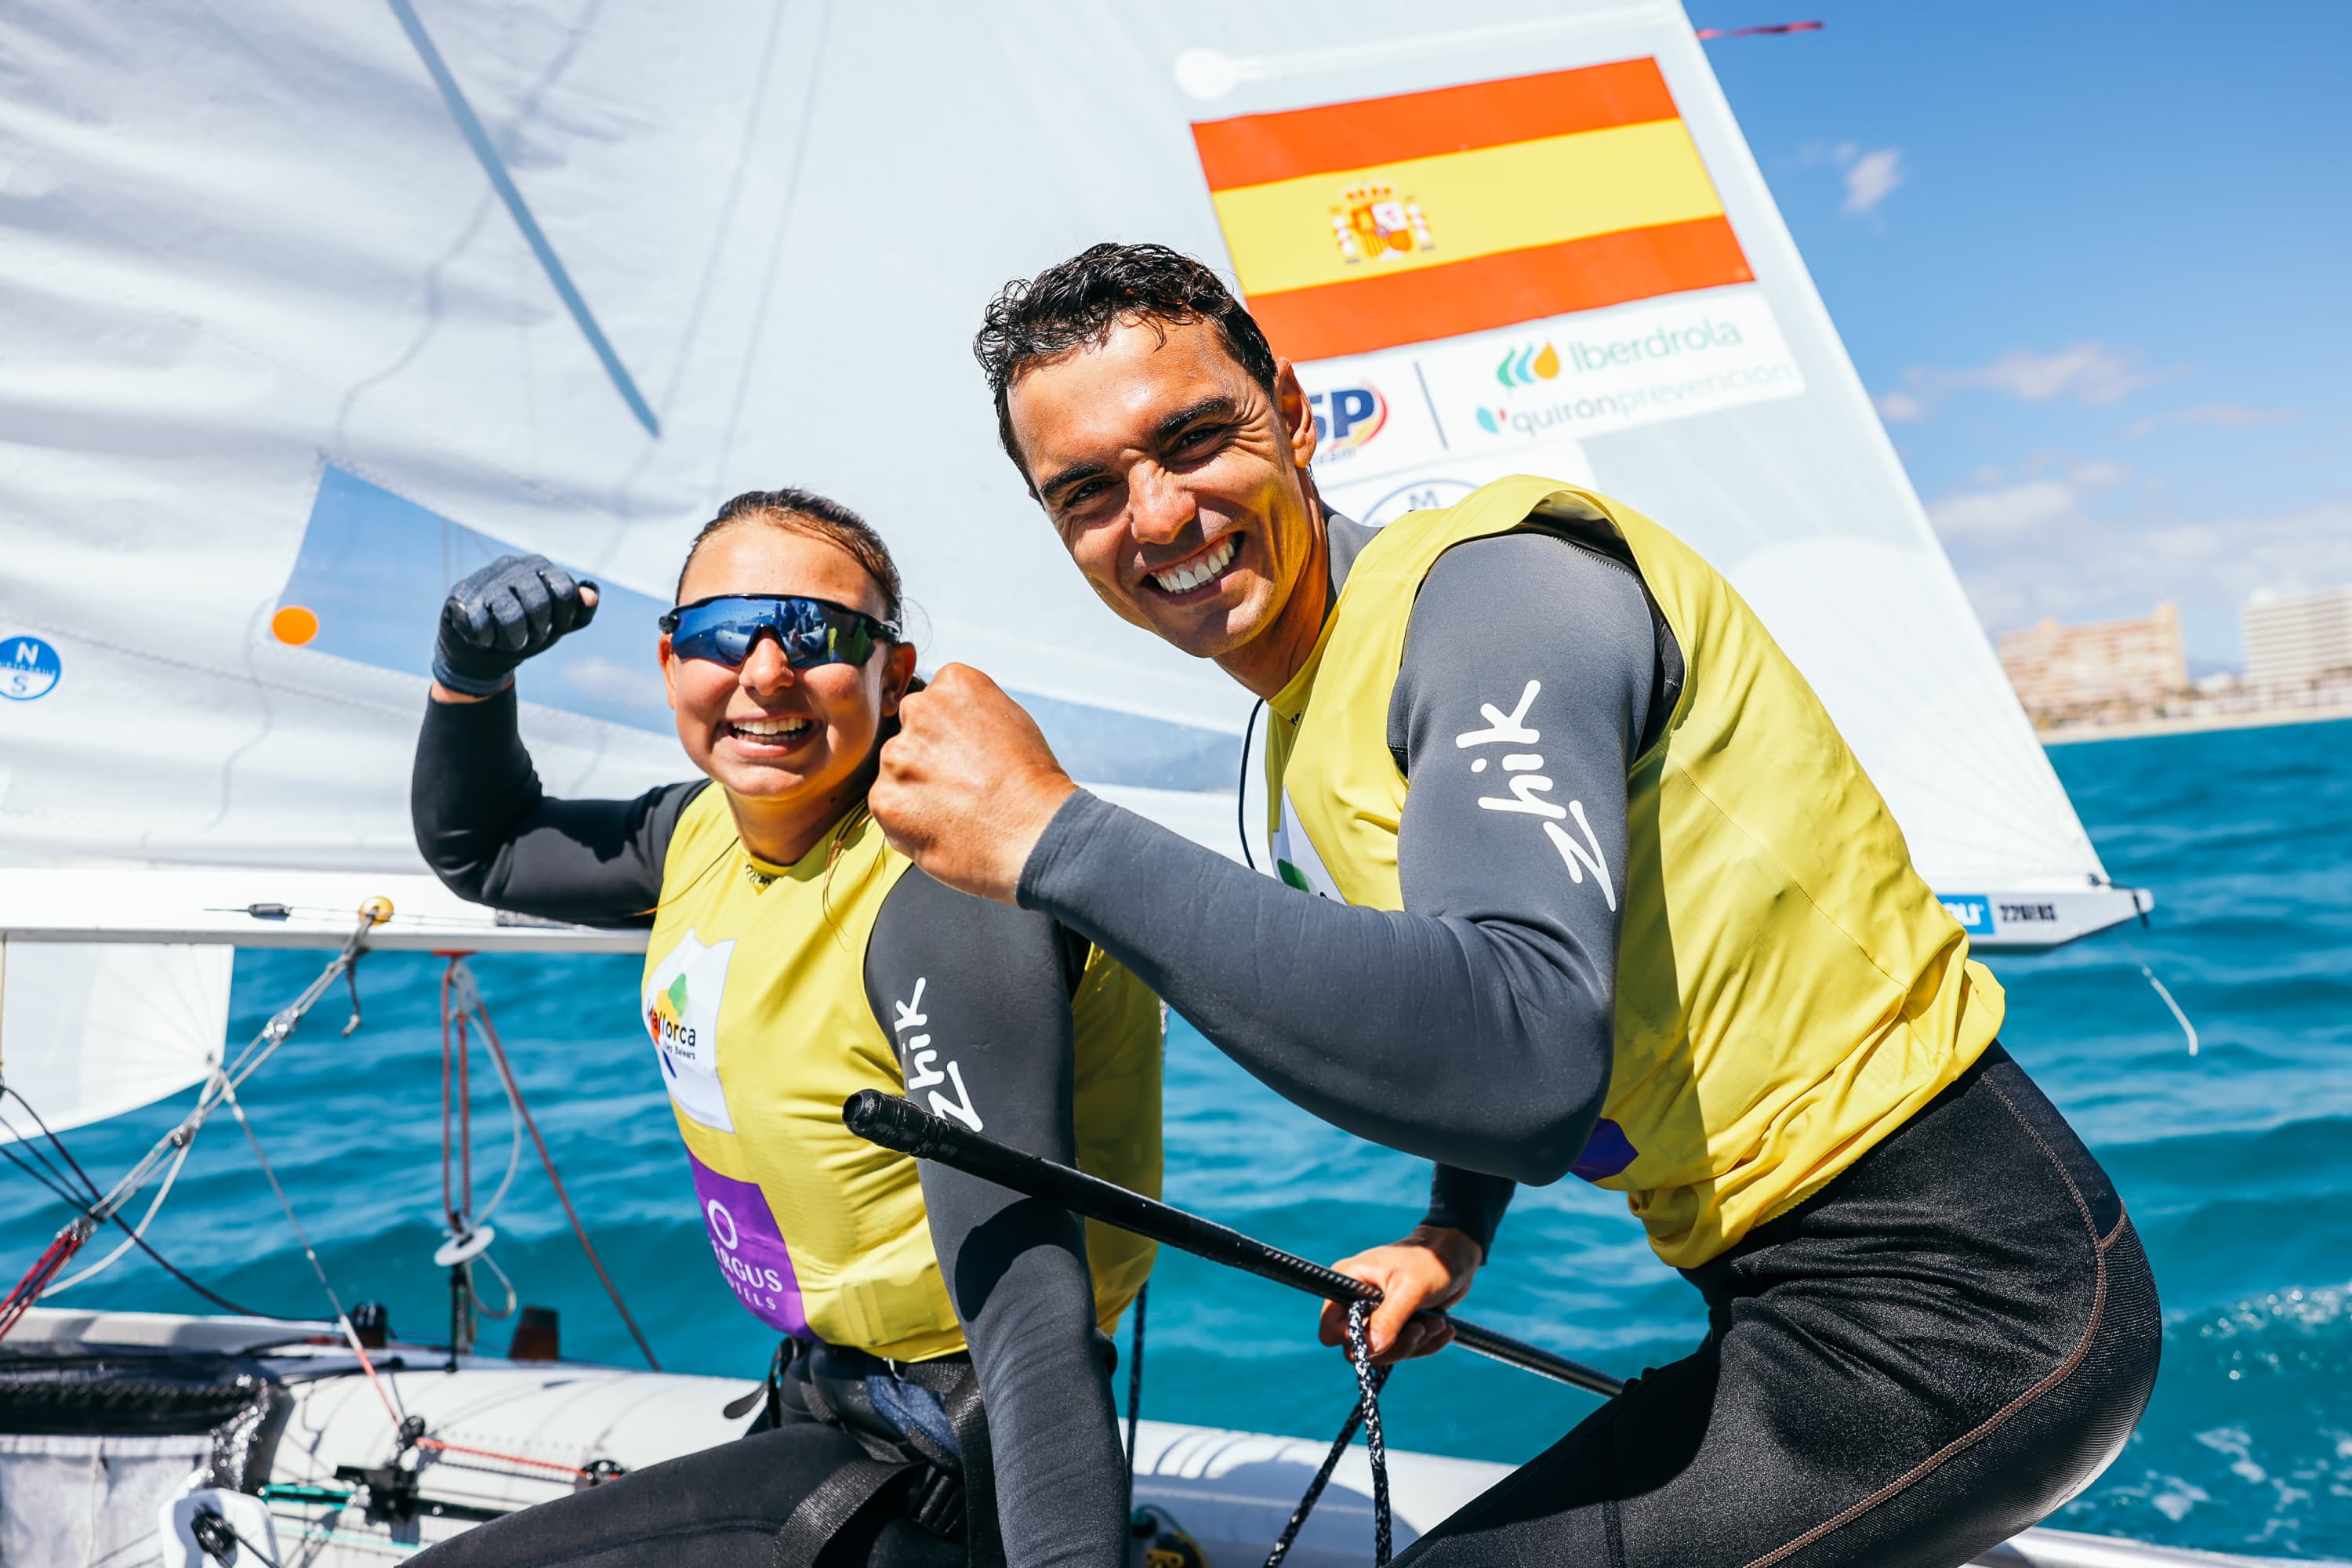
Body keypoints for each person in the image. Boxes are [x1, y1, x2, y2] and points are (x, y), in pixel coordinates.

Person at [864, 244, 2162, 1567]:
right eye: (1087, 491)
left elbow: (1525, 1050)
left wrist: (1055, 837)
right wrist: (1452, 1231)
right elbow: (1509, 959)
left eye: (1195, 437)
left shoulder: (1498, 594)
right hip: (1788, 1293)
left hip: (1972, 1300)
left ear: (1296, 412)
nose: (1155, 517)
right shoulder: (1316, 717)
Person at [406, 488, 1163, 1568]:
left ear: (890, 674)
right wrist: (468, 681)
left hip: (947, 1448)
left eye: (815, 636)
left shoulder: (943, 888)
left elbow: (1027, 1310)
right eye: (723, 635)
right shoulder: (699, 832)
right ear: (671, 666)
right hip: (826, 1395)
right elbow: (488, 849)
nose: (765, 672)